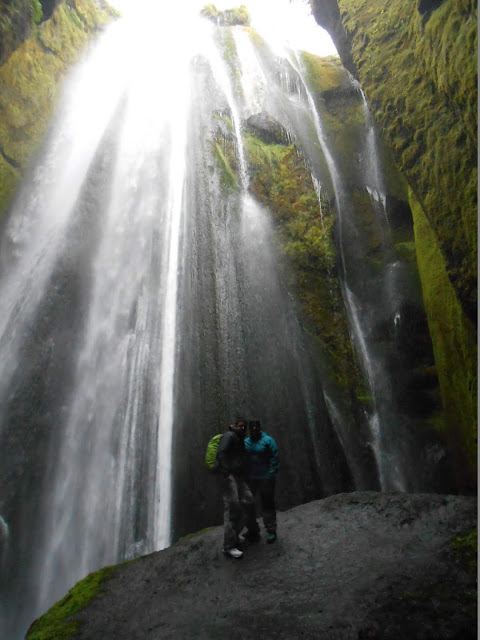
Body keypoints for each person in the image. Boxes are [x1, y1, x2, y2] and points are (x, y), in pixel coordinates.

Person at [215, 417, 255, 559]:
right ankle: (228, 546)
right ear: (234, 425)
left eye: (245, 427)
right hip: (229, 477)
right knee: (232, 508)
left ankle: (235, 535)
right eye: (240, 426)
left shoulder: (239, 439)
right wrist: (226, 474)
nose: (243, 428)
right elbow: (221, 453)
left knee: (248, 501)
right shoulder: (229, 436)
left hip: (238, 477)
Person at [244, 419, 279, 543]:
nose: (254, 430)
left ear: (260, 428)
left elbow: (275, 456)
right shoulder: (246, 442)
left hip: (265, 478)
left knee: (267, 504)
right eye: (252, 428)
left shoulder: (268, 440)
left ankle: (271, 530)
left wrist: (271, 473)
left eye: (256, 427)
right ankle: (253, 530)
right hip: (251, 478)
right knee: (247, 504)